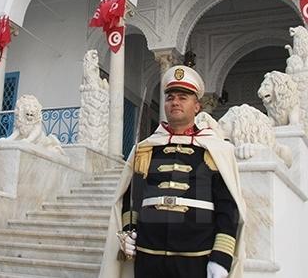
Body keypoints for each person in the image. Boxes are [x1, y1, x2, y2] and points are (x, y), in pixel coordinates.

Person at [100, 65, 245, 278]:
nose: (175, 102)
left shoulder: (216, 150)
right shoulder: (145, 148)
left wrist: (221, 257)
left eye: (183, 97)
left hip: (196, 257)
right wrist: (129, 230)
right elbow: (132, 199)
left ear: (197, 106)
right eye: (170, 97)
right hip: (148, 256)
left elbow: (227, 208)